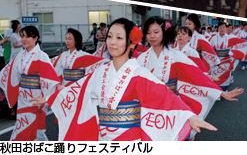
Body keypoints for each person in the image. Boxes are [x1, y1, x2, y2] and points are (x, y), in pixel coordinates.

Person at [37, 18, 217, 141]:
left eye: (119, 38)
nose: (112, 42)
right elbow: (78, 89)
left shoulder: (138, 72)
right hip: (104, 135)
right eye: (110, 37)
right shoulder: (101, 71)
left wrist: (189, 116)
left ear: (132, 42)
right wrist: (49, 97)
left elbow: (165, 97)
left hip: (130, 136)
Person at [137, 17, 243, 121]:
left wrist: (221, 93)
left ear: (165, 33)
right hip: (149, 106)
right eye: (148, 32)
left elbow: (196, 75)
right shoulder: (141, 59)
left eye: (156, 32)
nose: (152, 36)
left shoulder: (176, 56)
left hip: (173, 103)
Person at [0, 25, 61, 140]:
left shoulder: (41, 56)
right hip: (23, 97)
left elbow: (50, 77)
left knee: (37, 130)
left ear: (35, 38)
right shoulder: (20, 56)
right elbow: (8, 73)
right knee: (22, 126)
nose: (24, 39)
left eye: (28, 37)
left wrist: (58, 88)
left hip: (36, 99)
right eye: (22, 36)